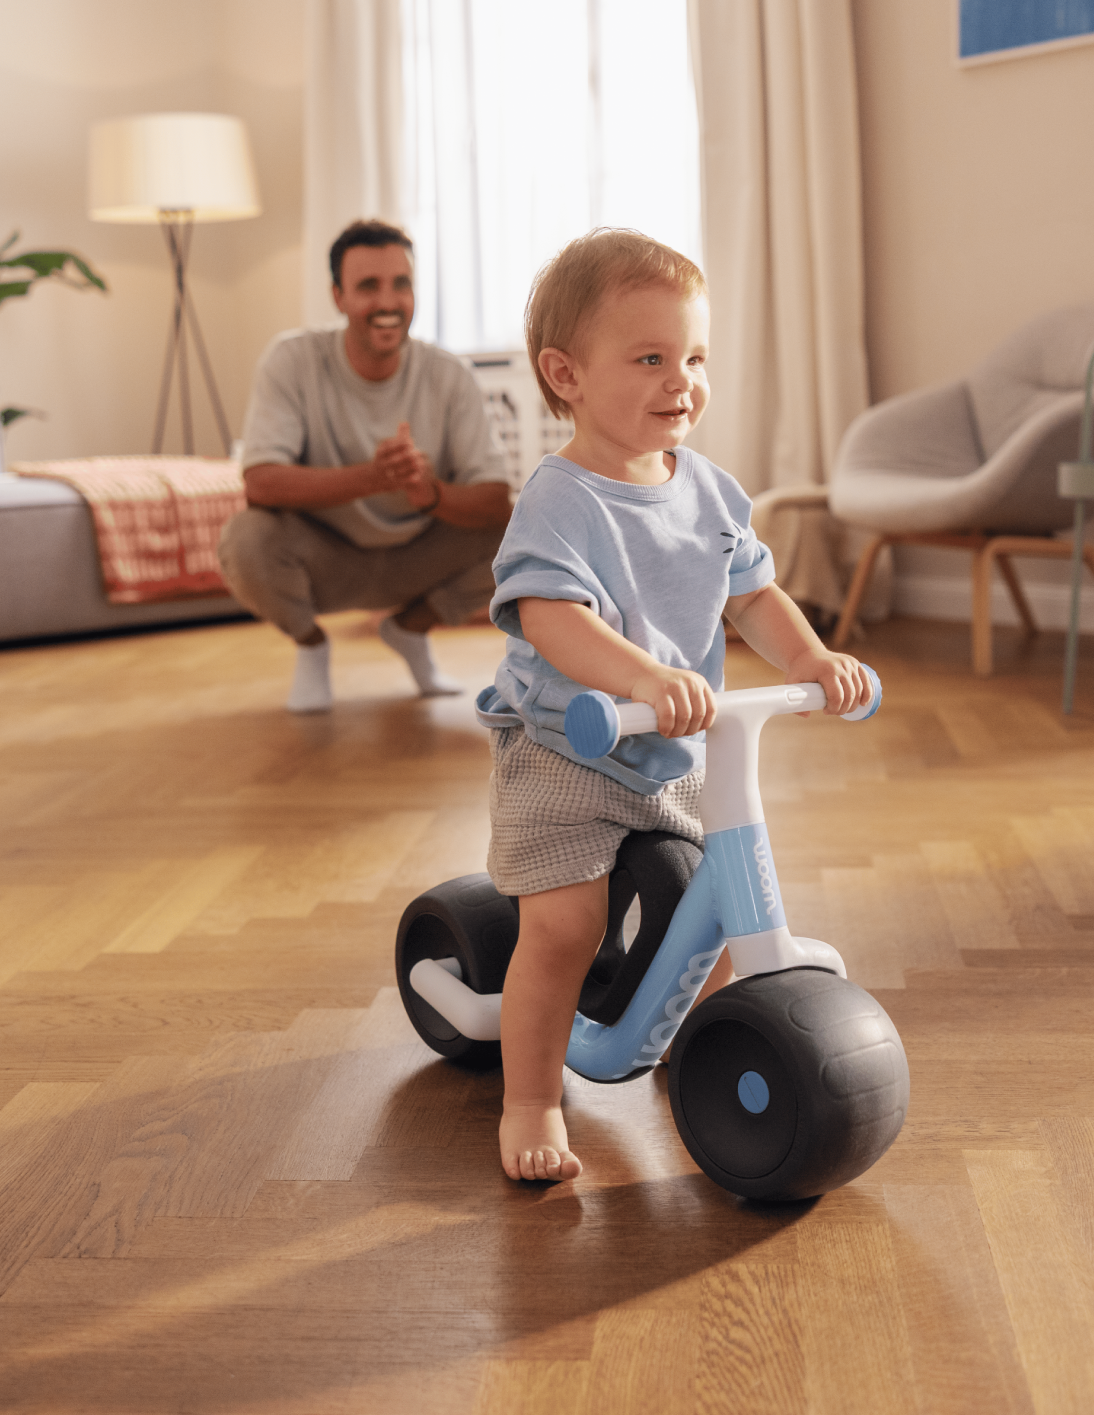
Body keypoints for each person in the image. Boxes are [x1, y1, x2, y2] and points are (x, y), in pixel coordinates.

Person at [475, 229, 867, 1183]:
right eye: (650, 359)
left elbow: (753, 595)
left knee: (718, 918)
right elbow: (550, 616)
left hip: (676, 751)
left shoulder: (711, 492)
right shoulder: (561, 500)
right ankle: (530, 1100)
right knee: (565, 930)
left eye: (694, 358)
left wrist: (812, 659)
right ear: (565, 374)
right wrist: (643, 678)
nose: (681, 382)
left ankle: (700, 1048)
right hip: (569, 749)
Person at [224, 220, 513, 713]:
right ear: (337, 296)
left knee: (529, 528)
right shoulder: (291, 359)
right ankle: (311, 645)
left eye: (401, 284)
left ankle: (409, 630)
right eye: (368, 286)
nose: (388, 301)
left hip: (420, 553)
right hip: (327, 558)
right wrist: (372, 478)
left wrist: (430, 493)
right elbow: (260, 484)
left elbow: (495, 502)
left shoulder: (449, 374)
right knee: (245, 539)